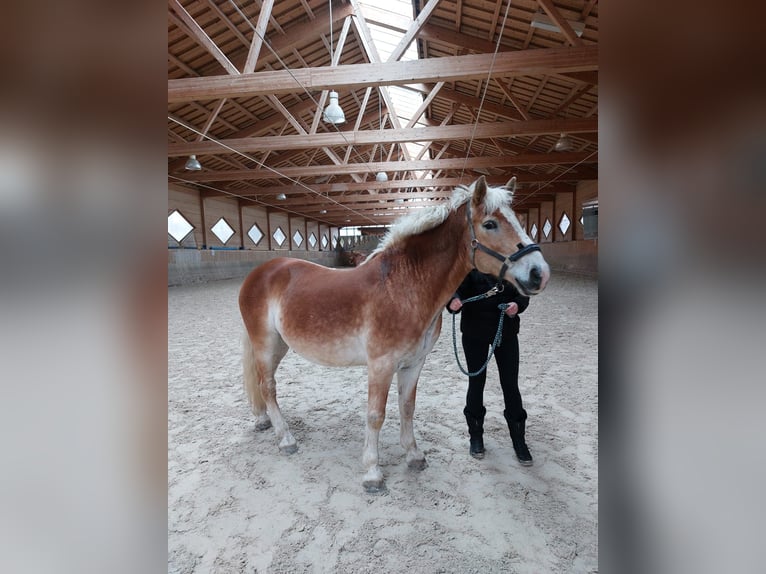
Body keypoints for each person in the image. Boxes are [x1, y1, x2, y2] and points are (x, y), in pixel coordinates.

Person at [446, 269, 533, 465]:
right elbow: (456, 288)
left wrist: (517, 304)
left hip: (506, 332)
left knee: (510, 385)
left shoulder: (512, 265)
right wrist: (453, 301)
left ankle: (519, 440)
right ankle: (476, 436)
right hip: (474, 332)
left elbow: (523, 292)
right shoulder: (471, 266)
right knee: (476, 383)